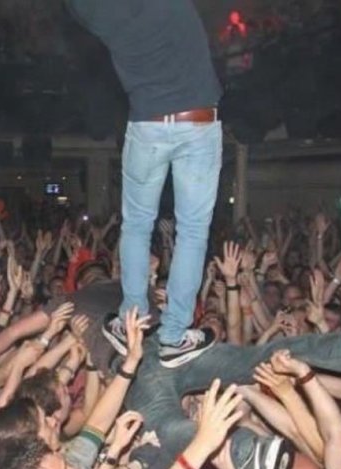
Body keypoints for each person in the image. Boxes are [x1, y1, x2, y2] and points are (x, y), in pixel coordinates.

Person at [65, 0, 223, 367]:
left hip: (146, 126)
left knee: (137, 226)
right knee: (192, 231)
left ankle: (130, 320)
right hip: (198, 123)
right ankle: (173, 335)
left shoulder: (101, 13)